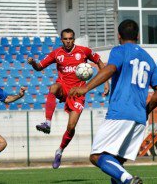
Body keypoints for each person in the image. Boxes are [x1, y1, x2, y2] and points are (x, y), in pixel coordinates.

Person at [69, 19, 157, 184]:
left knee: (97, 156)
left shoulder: (119, 50)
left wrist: (86, 88)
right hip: (139, 119)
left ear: (118, 36)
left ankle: (128, 181)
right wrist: (146, 110)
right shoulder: (148, 59)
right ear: (138, 35)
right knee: (116, 164)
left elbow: (111, 68)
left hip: (120, 113)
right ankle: (125, 179)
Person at [27, 28, 109, 169]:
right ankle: (47, 122)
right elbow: (39, 67)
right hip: (63, 87)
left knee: (71, 127)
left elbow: (101, 64)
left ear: (74, 39)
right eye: (65, 39)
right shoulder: (57, 53)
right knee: (53, 88)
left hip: (78, 93)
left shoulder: (84, 51)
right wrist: (33, 63)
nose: (68, 41)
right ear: (61, 40)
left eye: (70, 38)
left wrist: (106, 82)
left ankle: (60, 150)